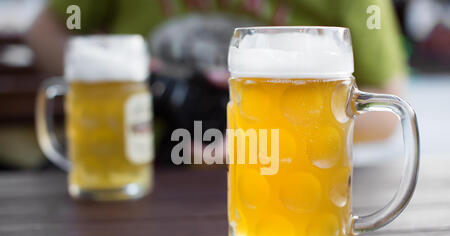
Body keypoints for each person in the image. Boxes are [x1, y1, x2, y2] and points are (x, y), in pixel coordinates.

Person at [23, 0, 407, 166]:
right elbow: (44, 31)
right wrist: (121, 73)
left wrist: (269, 136)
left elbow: (387, 109)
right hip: (138, 164)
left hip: (277, 173)